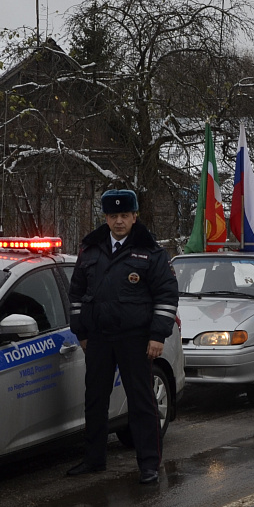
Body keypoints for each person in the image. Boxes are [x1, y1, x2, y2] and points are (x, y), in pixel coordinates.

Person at [66, 189, 178, 485]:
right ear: (105, 217)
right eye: (113, 216)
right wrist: (81, 332)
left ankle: (149, 464)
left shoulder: (150, 250)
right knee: (95, 399)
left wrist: (157, 336)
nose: (119, 221)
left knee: (142, 402)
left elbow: (166, 296)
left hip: (135, 338)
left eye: (124, 216)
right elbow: (77, 294)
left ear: (134, 217)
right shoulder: (91, 249)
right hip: (99, 336)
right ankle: (94, 459)